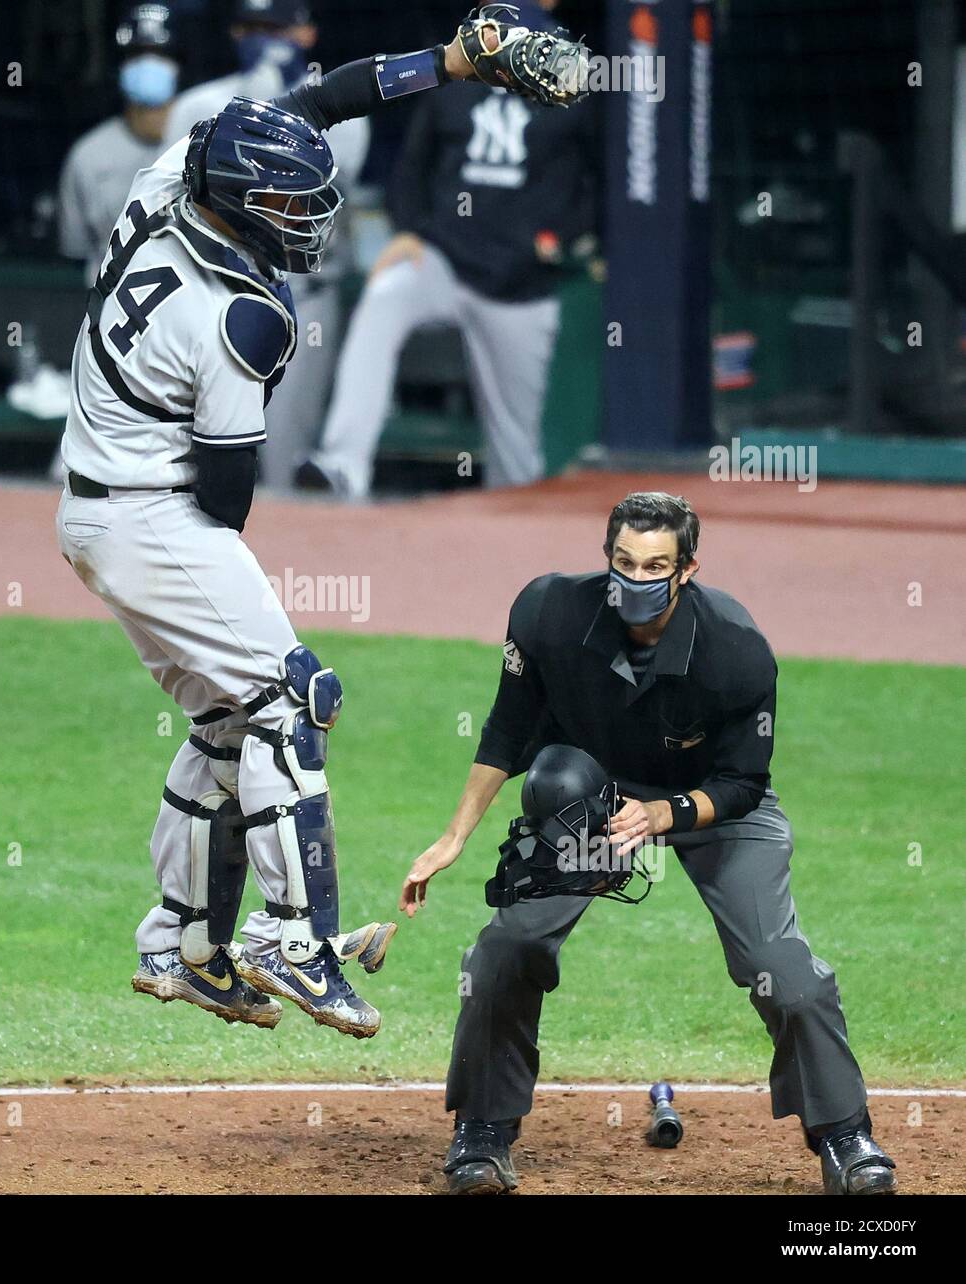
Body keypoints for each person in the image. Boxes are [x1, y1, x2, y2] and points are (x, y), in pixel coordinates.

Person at [55, 11, 581, 1037]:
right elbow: (225, 498)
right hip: (159, 519)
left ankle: (184, 944)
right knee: (295, 700)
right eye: (290, 203)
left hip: (94, 513)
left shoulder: (170, 179)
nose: (308, 216)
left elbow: (313, 102)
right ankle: (293, 939)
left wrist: (450, 60)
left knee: (227, 721)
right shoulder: (244, 316)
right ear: (247, 209)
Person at [399, 492, 898, 1196]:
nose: (637, 579)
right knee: (505, 949)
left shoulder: (735, 650)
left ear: (687, 568)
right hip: (593, 799)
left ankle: (847, 1136)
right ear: (608, 559)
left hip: (710, 803)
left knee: (780, 968)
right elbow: (509, 730)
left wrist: (664, 813)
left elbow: (745, 784)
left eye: (656, 565)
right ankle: (483, 1130)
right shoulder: (549, 613)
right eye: (625, 562)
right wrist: (454, 836)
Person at [297, 0, 597, 499]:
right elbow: (410, 170)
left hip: (519, 286)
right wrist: (409, 229)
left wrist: (570, 237)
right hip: (442, 260)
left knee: (517, 458)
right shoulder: (455, 88)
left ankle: (512, 532)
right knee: (387, 295)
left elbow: (599, 181)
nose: (517, 51)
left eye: (529, 42)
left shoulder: (571, 93)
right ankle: (342, 464)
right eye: (508, 40)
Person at [165, 0, 370, 490]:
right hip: (206, 296)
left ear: (306, 34)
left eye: (278, 27)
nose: (267, 38)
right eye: (254, 27)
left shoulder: (348, 117)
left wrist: (280, 111)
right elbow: (174, 198)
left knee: (277, 466)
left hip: (300, 298)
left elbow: (324, 195)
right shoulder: (196, 107)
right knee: (190, 460)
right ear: (235, 33)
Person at [59, 3, 181, 286]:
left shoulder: (205, 142)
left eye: (160, 55)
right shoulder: (87, 155)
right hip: (111, 315)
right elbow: (75, 250)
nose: (149, 64)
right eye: (138, 54)